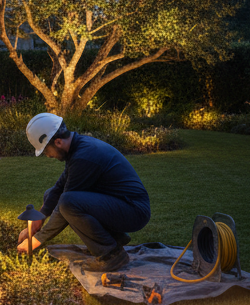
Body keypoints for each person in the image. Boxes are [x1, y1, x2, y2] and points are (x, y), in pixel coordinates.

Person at [17, 112, 151, 272]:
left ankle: (111, 255)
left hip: (133, 211)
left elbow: (64, 206)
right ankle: (114, 239)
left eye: (46, 151)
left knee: (68, 203)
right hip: (121, 204)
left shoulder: (84, 157)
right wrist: (39, 218)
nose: (47, 156)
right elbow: (59, 188)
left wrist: (37, 240)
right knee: (52, 194)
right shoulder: (77, 148)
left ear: (58, 142)